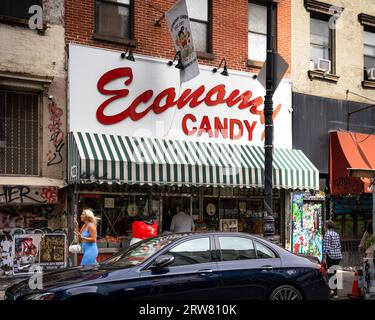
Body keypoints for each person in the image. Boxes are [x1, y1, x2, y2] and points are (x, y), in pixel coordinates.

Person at [322, 220, 342, 299]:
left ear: (326, 226)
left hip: (331, 256)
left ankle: (332, 292)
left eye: (324, 225)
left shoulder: (327, 234)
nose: (324, 227)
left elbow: (326, 247)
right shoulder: (336, 234)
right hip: (338, 256)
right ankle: (335, 292)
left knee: (330, 274)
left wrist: (324, 258)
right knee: (333, 274)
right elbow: (339, 246)